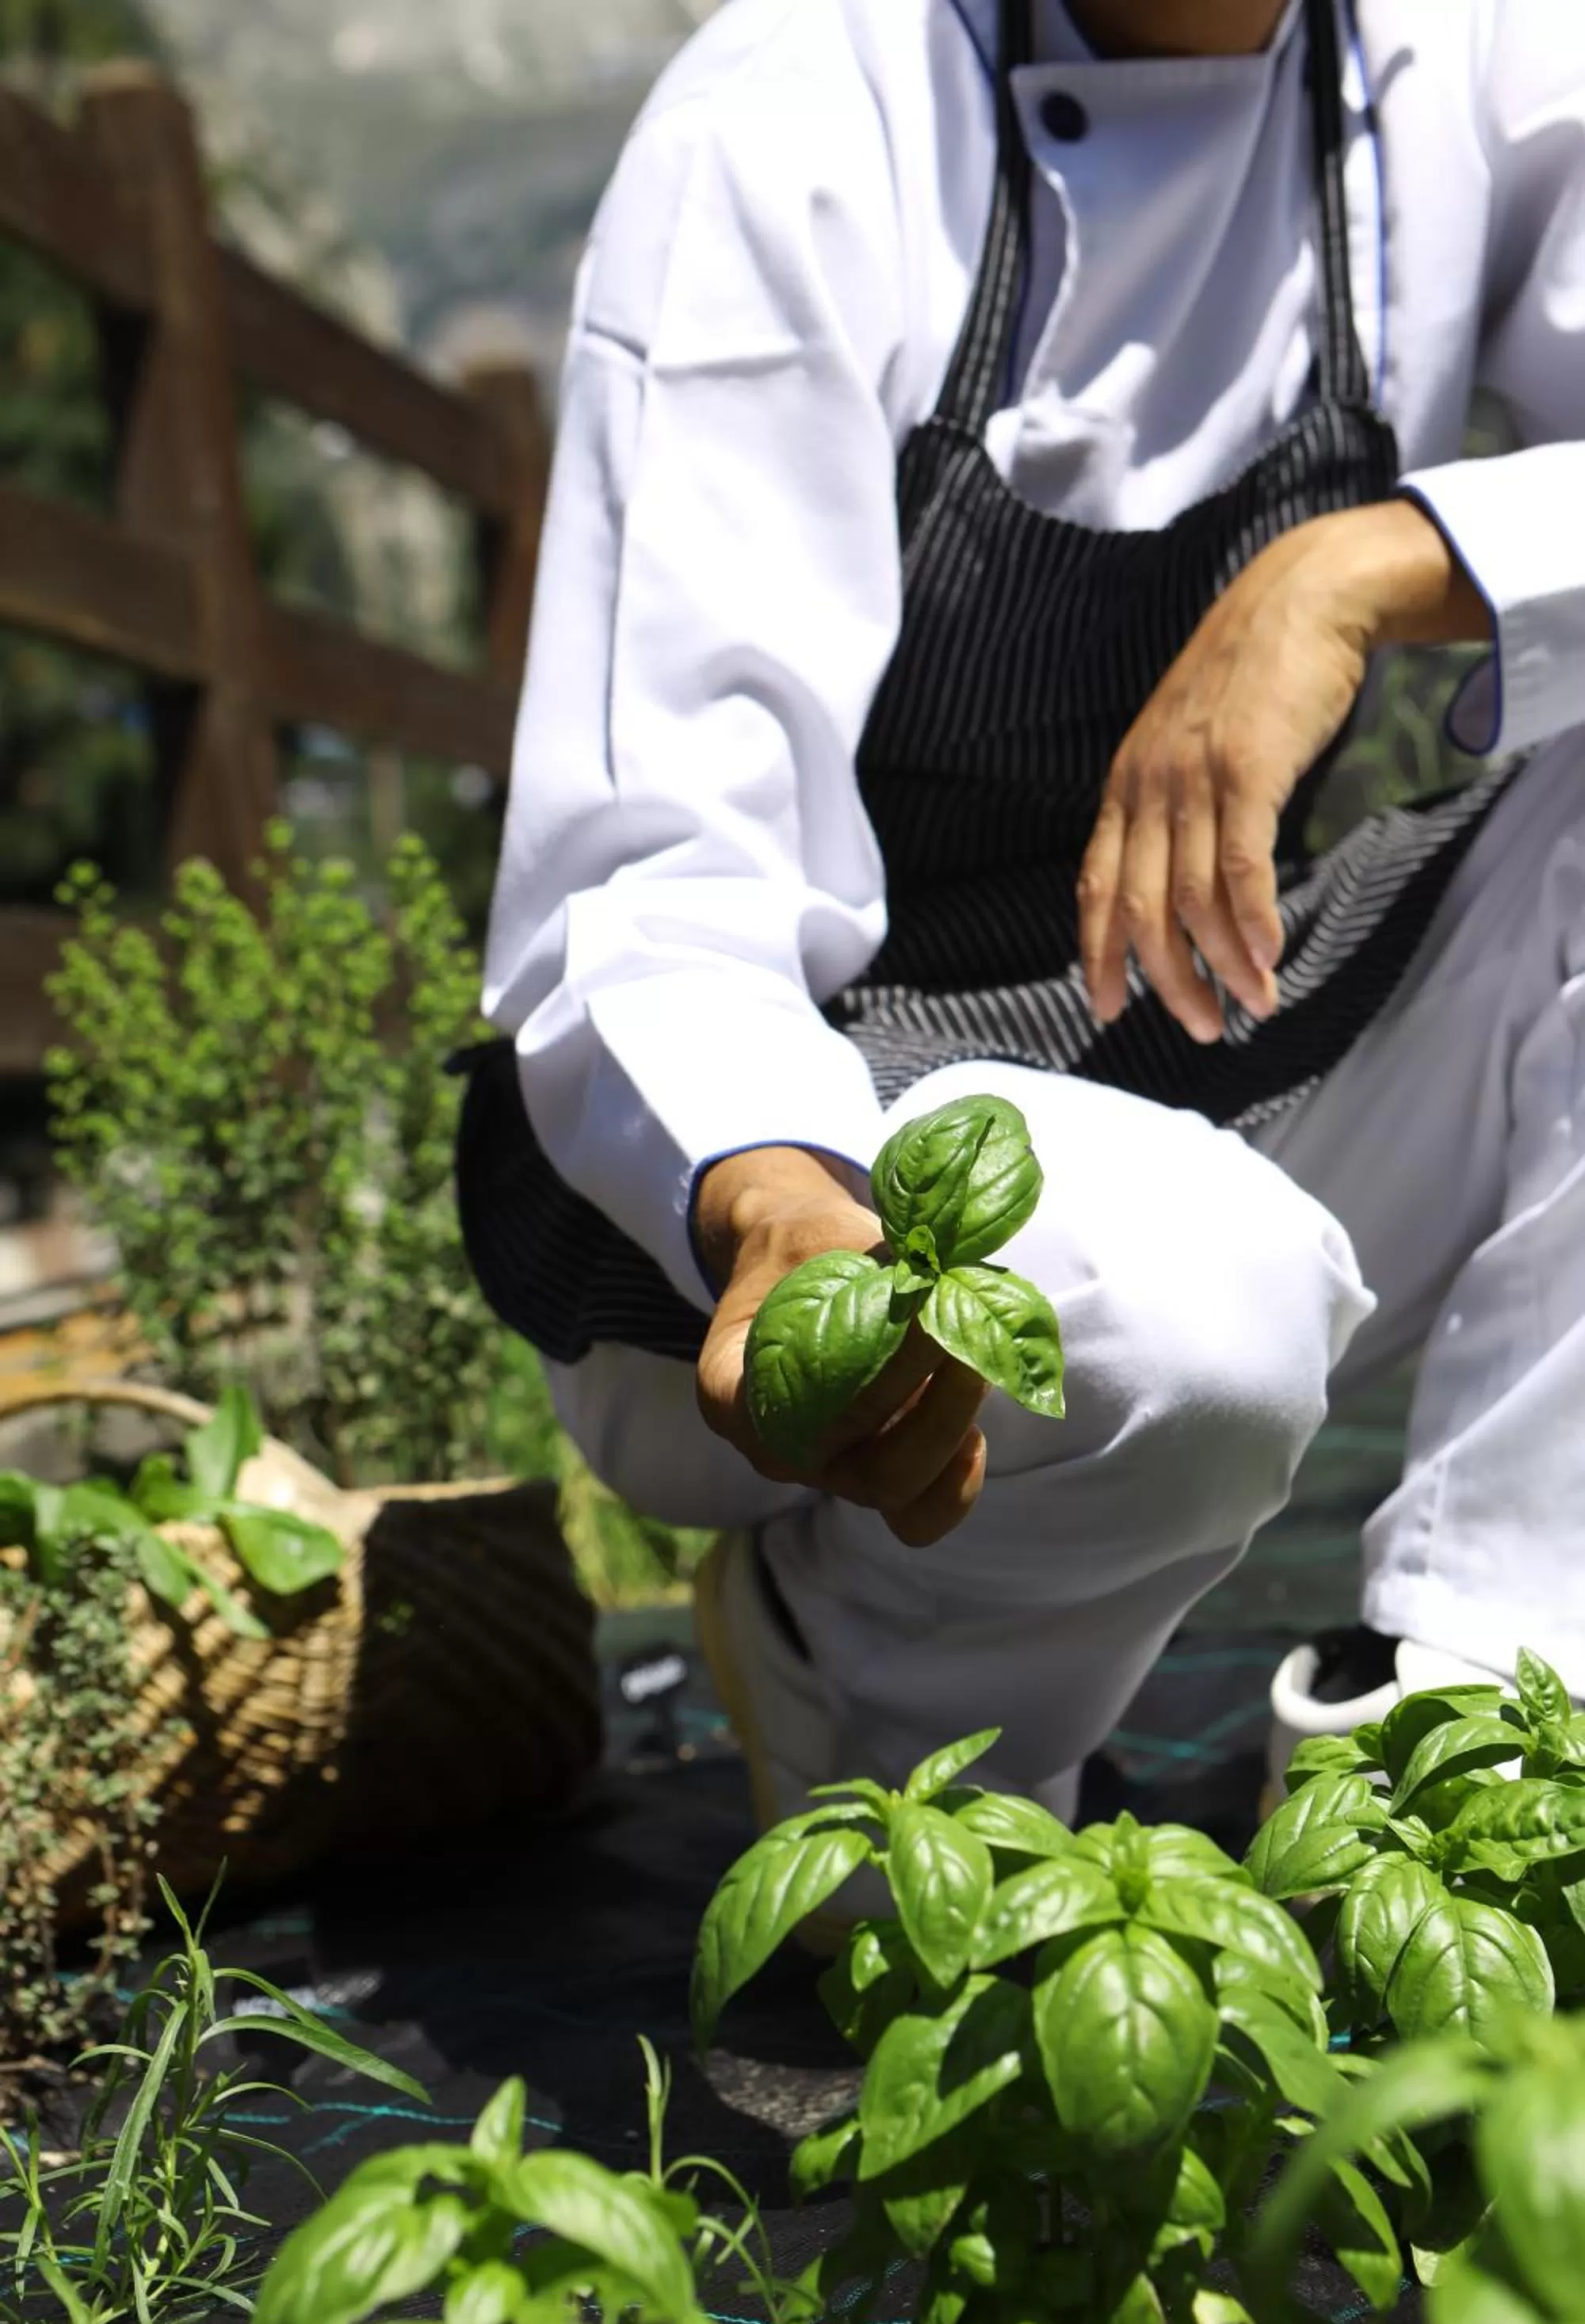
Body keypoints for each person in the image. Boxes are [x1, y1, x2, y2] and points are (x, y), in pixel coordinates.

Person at [460, 0, 1585, 1833]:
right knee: (1186, 1308)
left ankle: (1476, 1743)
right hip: (757, 1174)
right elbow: (659, 876)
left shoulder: (1471, 59)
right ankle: (879, 1745)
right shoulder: (797, 108)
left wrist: (1372, 563)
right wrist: (781, 1200)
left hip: (1197, 1039)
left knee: (1202, 1254)